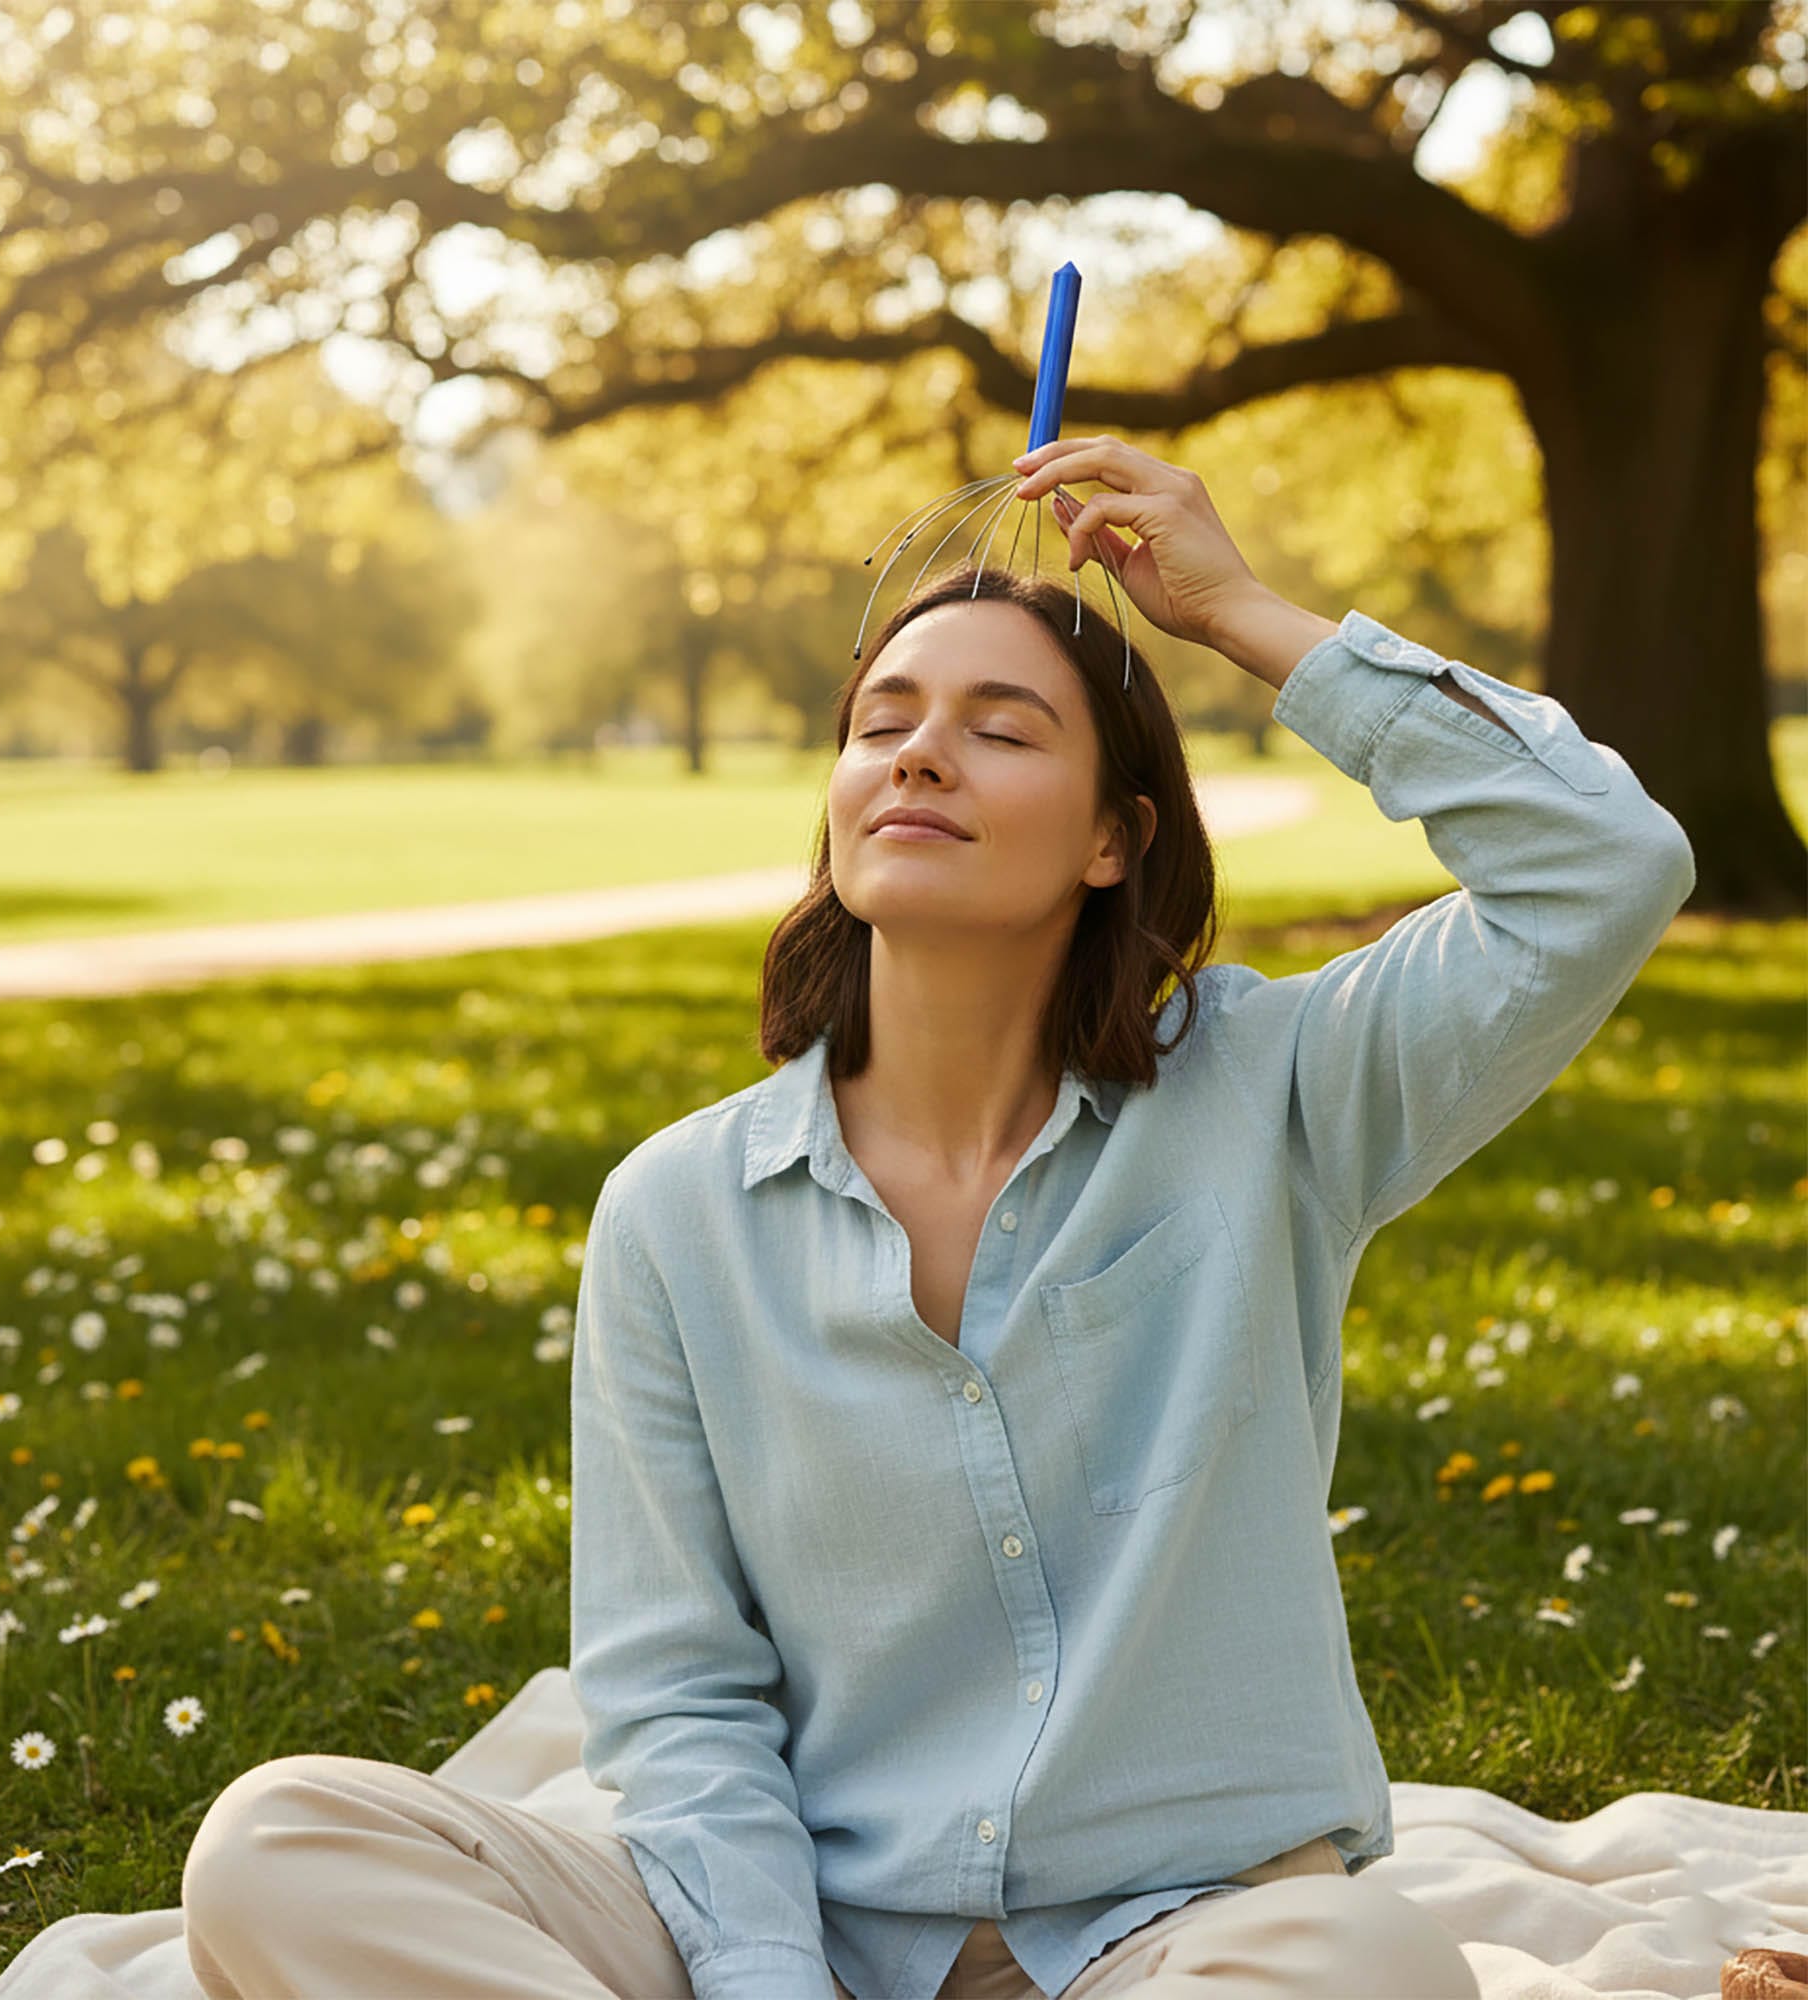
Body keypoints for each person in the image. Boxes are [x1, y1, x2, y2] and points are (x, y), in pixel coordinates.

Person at [179, 437, 1694, 1999]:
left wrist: (1240, 614)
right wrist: (768, 1982)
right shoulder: (677, 1211)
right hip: (791, 1922)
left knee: (1370, 1962)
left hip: (1176, 1932)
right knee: (280, 1842)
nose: (918, 757)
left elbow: (1601, 862)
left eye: (1002, 728)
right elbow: (679, 1692)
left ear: (1114, 838)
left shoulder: (1278, 1091)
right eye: (882, 723)